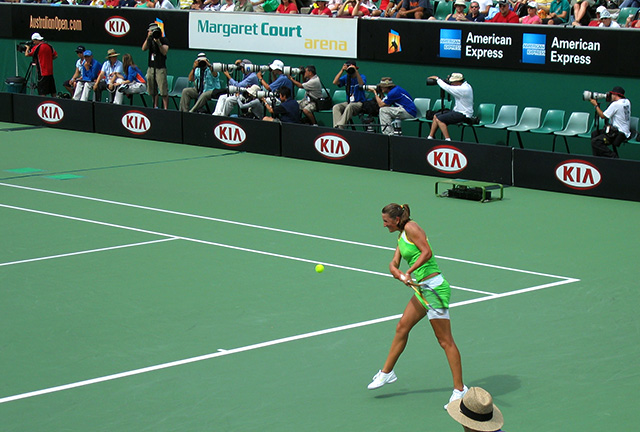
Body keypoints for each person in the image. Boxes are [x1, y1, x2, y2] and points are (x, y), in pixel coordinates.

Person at [368, 204, 467, 412]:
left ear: (396, 220)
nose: (383, 225)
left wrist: (408, 271)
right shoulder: (401, 235)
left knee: (445, 341)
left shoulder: (412, 227)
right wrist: (398, 272)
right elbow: (392, 263)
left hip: (435, 289)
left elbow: (427, 252)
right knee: (402, 327)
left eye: (386, 221)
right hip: (423, 290)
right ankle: (387, 373)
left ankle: (460, 390)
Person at [427, 73, 474, 141]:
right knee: (435, 116)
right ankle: (430, 137)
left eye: (452, 82)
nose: (451, 83)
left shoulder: (463, 89)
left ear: (458, 81)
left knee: (439, 119)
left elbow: (447, 88)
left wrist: (438, 79)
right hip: (457, 111)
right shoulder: (465, 85)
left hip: (464, 114)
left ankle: (448, 140)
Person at [590, 86, 631, 158]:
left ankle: (613, 157)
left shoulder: (616, 104)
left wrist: (596, 105)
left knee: (595, 142)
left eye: (612, 94)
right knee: (594, 134)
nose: (610, 96)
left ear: (615, 95)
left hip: (618, 133)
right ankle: (597, 158)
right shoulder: (627, 101)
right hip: (624, 131)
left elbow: (602, 116)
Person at [142, 22, 170, 109]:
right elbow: (143, 48)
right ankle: (155, 106)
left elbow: (164, 52)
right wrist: (148, 37)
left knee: (163, 90)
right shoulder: (149, 40)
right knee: (152, 90)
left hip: (160, 68)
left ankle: (165, 108)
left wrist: (158, 43)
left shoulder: (163, 40)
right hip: (151, 67)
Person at [332, 60, 368, 128]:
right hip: (349, 102)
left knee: (350, 106)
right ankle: (336, 127)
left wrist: (355, 71)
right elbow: (335, 82)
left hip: (359, 103)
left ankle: (340, 126)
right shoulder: (346, 77)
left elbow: (361, 84)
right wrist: (342, 70)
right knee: (336, 107)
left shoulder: (361, 76)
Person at [24, 32, 58, 97]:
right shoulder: (49, 46)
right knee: (52, 90)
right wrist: (48, 60)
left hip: (42, 73)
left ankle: (42, 103)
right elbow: (55, 55)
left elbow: (27, 54)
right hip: (50, 72)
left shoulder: (37, 47)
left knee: (42, 91)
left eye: (34, 41)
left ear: (37, 40)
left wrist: (27, 48)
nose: (33, 43)